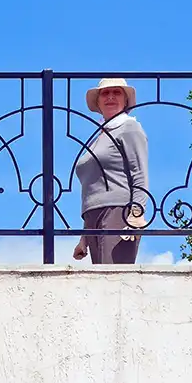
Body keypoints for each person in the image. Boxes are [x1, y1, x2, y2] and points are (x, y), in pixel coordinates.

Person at [73, 77, 149, 264]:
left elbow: (139, 172)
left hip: (118, 212)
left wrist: (136, 213)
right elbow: (94, 186)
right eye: (105, 93)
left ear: (125, 100)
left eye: (117, 92)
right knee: (101, 283)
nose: (110, 97)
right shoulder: (101, 135)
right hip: (92, 215)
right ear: (98, 102)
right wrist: (85, 235)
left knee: (114, 281)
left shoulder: (129, 127)